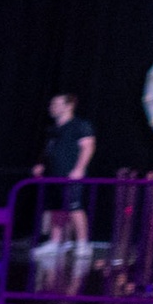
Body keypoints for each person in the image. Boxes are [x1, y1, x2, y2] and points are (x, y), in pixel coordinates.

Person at [37, 92, 97, 249]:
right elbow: (49, 149)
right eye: (52, 105)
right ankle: (55, 242)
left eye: (56, 104)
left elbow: (88, 147)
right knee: (56, 208)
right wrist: (41, 164)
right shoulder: (53, 129)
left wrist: (79, 169)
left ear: (69, 106)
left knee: (74, 208)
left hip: (71, 174)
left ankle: (83, 243)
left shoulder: (80, 125)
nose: (52, 108)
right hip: (54, 174)